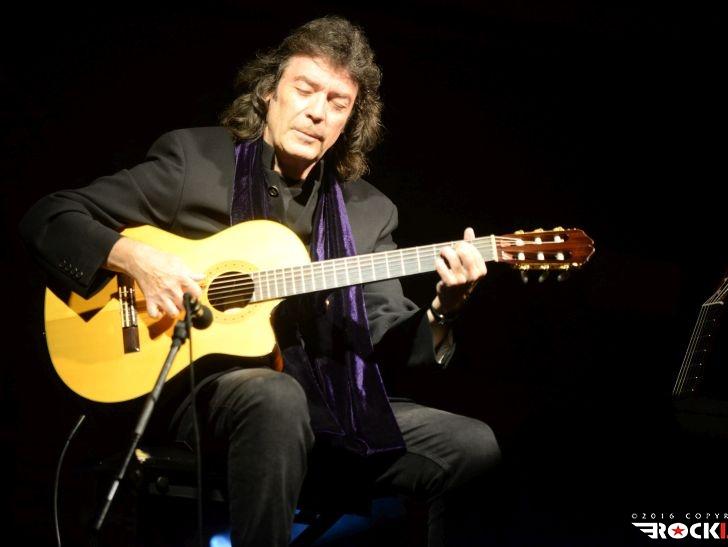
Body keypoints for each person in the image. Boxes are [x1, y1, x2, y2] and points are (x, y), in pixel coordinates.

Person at [20, 16, 500, 547]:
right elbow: (50, 216)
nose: (317, 112)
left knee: (473, 445)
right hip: (206, 397)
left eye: (337, 103)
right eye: (305, 89)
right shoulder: (195, 163)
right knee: (275, 397)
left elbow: (386, 341)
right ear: (270, 91)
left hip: (332, 408)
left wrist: (442, 310)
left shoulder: (369, 213)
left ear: (350, 121)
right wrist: (136, 259)